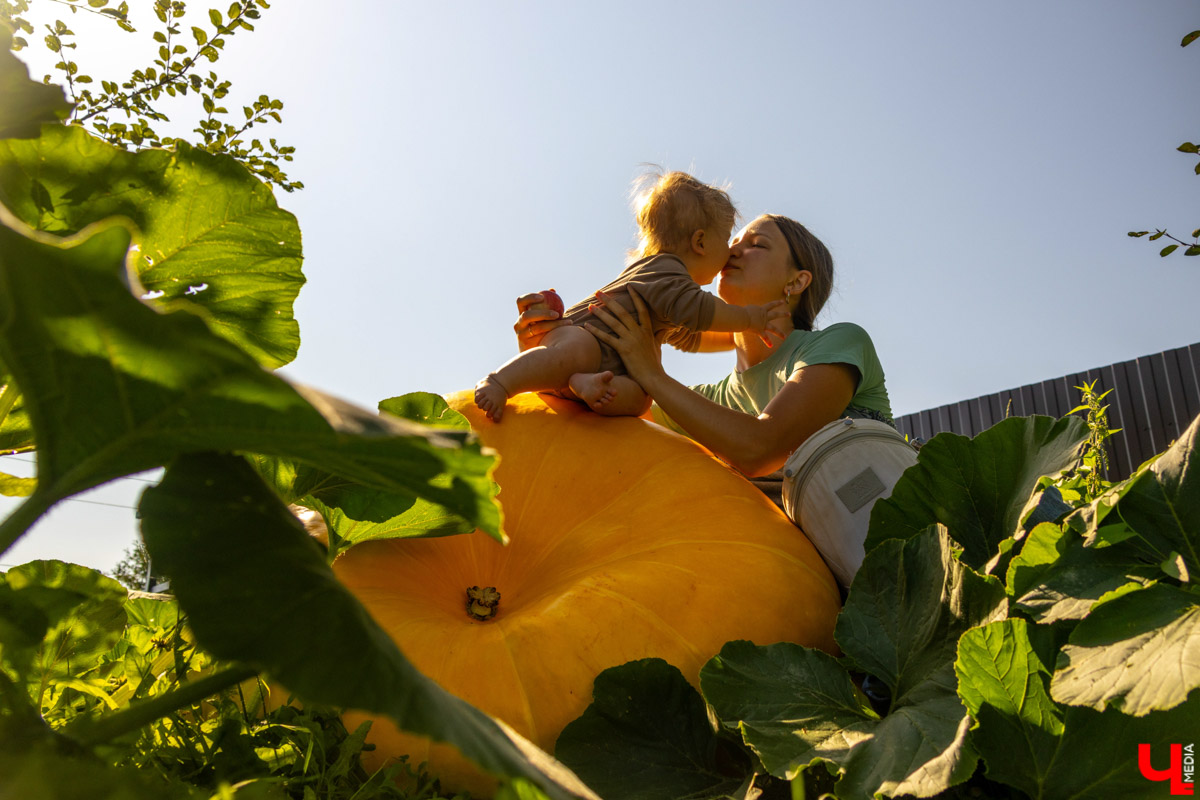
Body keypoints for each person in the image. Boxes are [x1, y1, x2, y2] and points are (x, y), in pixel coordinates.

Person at [514, 213, 894, 528]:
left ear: (796, 281)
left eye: (757, 245)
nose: (734, 251)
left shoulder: (840, 342)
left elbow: (759, 447)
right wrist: (551, 354)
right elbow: (601, 418)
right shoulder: (711, 400)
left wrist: (651, 374)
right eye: (735, 241)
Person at [474, 171, 789, 422]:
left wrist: (744, 336)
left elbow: (690, 336)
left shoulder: (668, 297)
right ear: (701, 242)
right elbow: (703, 312)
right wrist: (751, 319)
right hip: (585, 336)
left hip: (606, 367)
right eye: (726, 240)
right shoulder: (667, 272)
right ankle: (501, 381)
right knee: (579, 351)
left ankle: (583, 385)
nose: (731, 251)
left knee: (641, 398)